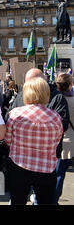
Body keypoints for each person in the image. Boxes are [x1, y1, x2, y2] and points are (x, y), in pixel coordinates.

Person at [5, 77, 63, 205]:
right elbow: (57, 141)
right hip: (46, 168)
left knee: (17, 202)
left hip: (19, 165)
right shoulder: (56, 117)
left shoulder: (15, 114)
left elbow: (8, 140)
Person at [54, 73, 74, 204]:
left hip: (60, 142)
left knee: (59, 174)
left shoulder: (54, 100)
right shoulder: (72, 100)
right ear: (70, 85)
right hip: (70, 140)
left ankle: (53, 199)